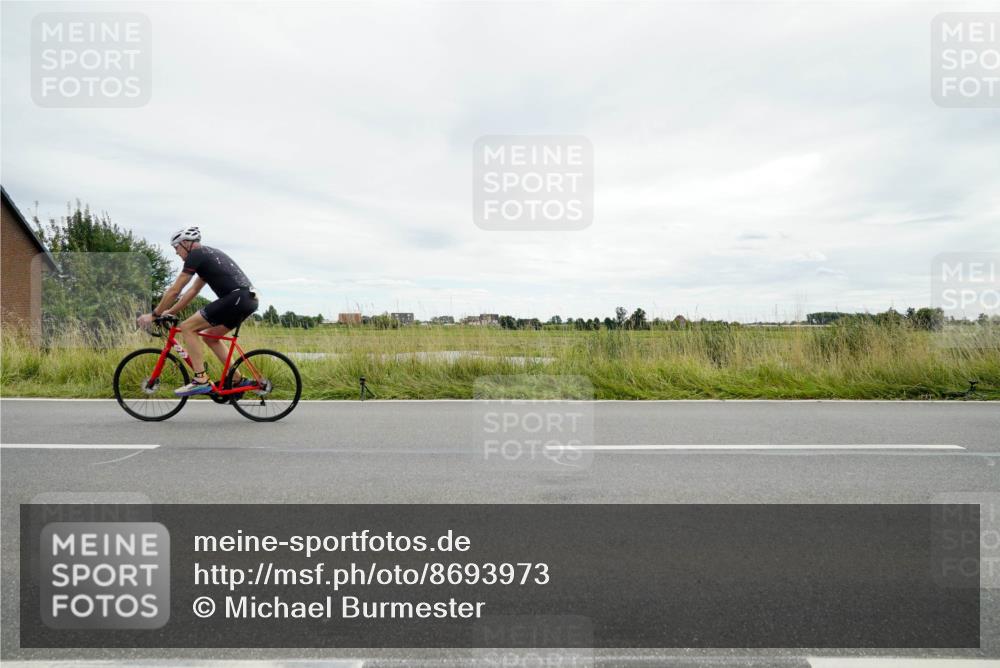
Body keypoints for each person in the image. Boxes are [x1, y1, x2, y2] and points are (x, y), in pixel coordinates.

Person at [138, 227, 259, 396]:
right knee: (211, 337)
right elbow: (192, 291)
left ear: (186, 243)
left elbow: (175, 290)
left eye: (176, 248)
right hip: (249, 300)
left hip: (236, 298)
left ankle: (200, 379)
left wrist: (154, 314)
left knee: (188, 327)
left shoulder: (196, 255)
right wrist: (171, 311)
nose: (176, 253)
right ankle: (237, 379)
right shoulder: (208, 256)